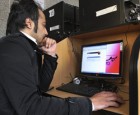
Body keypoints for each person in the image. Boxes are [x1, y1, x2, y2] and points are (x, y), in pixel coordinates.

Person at [0, 0, 124, 115]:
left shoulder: (26, 47)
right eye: (44, 25)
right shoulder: (13, 48)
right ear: (29, 23)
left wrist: (50, 55)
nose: (46, 32)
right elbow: (31, 107)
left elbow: (41, 87)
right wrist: (90, 103)